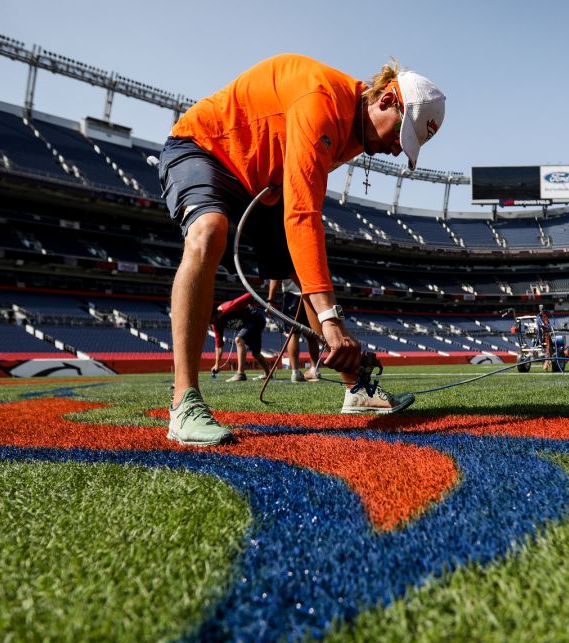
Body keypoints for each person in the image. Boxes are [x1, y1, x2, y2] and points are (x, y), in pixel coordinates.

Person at [158, 53, 446, 446]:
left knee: (302, 268)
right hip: (203, 148)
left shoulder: (355, 130)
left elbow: (302, 219)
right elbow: (302, 214)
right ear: (386, 101)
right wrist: (331, 322)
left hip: (262, 181)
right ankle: (184, 402)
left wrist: (328, 314)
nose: (397, 150)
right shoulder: (322, 101)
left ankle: (357, 390)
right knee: (209, 231)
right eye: (400, 135)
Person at [210, 292, 273, 382]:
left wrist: (252, 308)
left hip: (256, 318)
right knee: (255, 353)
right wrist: (216, 364)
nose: (213, 323)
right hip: (249, 324)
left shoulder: (228, 307)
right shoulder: (215, 324)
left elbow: (249, 295)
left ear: (217, 313)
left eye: (213, 319)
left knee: (238, 339)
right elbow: (219, 345)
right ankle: (268, 374)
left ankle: (240, 374)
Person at [268, 278, 321, 382]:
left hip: (292, 296)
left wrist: (270, 299)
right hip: (309, 295)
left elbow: (275, 278)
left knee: (293, 334)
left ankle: (295, 372)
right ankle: (314, 370)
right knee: (311, 335)